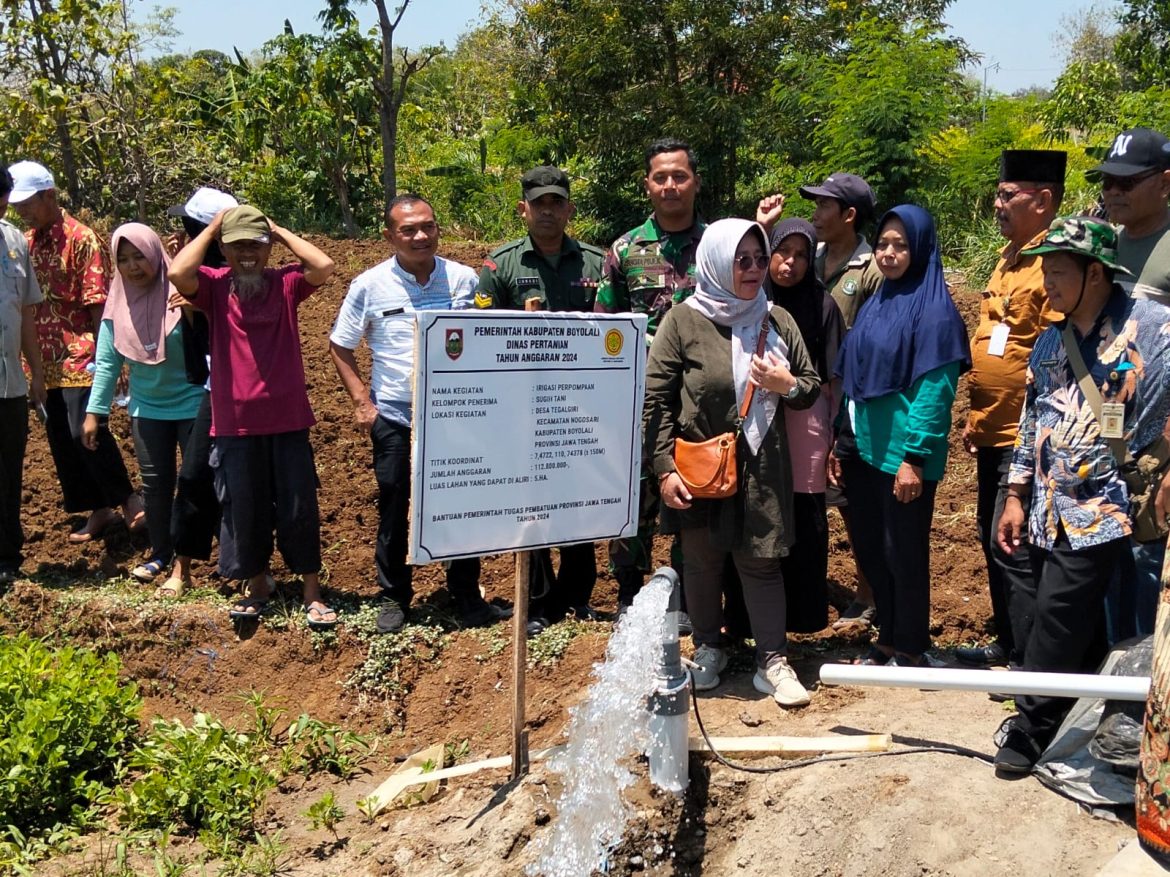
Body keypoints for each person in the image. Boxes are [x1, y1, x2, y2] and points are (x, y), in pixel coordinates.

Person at [994, 216, 1170, 774]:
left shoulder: (1154, 329)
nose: (1047, 281)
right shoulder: (1050, 339)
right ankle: (1081, 713)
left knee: (1062, 614)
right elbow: (1033, 421)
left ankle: (1030, 726)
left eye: (1059, 270)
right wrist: (1016, 493)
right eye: (1045, 268)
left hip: (1116, 506)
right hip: (1051, 507)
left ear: (1096, 274)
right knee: (1084, 625)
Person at [644, 217, 821, 706]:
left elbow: (808, 386)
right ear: (717, 261)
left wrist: (785, 385)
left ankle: (773, 661)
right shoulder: (682, 320)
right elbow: (656, 401)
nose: (753, 270)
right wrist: (663, 469)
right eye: (741, 260)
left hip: (762, 465)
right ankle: (708, 650)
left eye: (759, 260)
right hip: (699, 464)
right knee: (701, 562)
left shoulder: (776, 319)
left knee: (761, 563)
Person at [330, 193, 510, 634]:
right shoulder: (369, 286)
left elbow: (491, 337)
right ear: (389, 235)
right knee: (395, 503)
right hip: (394, 416)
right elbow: (340, 345)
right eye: (408, 229)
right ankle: (393, 597)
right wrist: (362, 405)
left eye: (427, 226)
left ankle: (466, 594)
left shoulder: (466, 280)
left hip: (460, 418)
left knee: (463, 504)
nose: (420, 236)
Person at [169, 205, 338, 629]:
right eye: (237, 244)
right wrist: (211, 230)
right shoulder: (213, 286)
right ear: (223, 249)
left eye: (255, 245)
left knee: (299, 506)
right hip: (234, 424)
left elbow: (323, 265)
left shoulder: (285, 284)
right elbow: (176, 274)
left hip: (288, 418)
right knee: (243, 507)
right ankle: (256, 584)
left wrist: (276, 230)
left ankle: (311, 592)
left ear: (267, 249)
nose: (247, 253)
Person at [830, 205, 971, 668]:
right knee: (872, 549)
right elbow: (854, 374)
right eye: (884, 244)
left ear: (922, 248)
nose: (889, 254)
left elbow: (936, 392)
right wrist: (841, 438)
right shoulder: (879, 302)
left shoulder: (935, 312)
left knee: (903, 553)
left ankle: (910, 646)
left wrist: (914, 456)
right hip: (865, 448)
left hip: (904, 456)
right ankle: (887, 638)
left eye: (901, 245)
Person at [474, 167, 606, 633]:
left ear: (569, 210)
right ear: (523, 210)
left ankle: (577, 596)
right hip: (520, 412)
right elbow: (480, 335)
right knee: (529, 506)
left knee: (579, 500)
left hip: (581, 407)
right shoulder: (500, 267)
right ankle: (536, 601)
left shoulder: (596, 264)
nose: (548, 211)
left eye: (556, 203)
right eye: (539, 203)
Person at [957, 150, 1064, 668]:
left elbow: (1050, 353)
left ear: (1042, 200)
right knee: (989, 533)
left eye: (1007, 195)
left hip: (1029, 436)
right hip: (992, 430)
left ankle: (1029, 662)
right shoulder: (1007, 257)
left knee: (1015, 544)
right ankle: (1007, 640)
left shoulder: (1055, 265)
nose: (997, 204)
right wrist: (976, 419)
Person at [765, 174, 884, 630]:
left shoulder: (868, 269)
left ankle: (867, 593)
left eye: (824, 205)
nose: (815, 212)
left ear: (848, 215)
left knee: (839, 503)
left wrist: (840, 427)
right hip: (783, 407)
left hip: (836, 401)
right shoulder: (808, 256)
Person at [595, 138, 706, 614]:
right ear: (647, 185)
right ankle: (628, 590)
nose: (670, 185)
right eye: (660, 177)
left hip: (700, 394)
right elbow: (606, 326)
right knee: (634, 490)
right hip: (639, 397)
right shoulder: (625, 249)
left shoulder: (718, 247)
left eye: (679, 176)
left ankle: (686, 591)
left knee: (693, 490)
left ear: (695, 182)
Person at [6, 160, 143, 543]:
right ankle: (98, 508)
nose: (22, 212)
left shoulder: (82, 240)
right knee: (61, 441)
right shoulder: (27, 243)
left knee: (85, 429)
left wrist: (108, 360)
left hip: (81, 353)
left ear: (49, 195)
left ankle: (129, 499)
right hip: (41, 360)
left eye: (29, 203)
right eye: (18, 206)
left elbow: (99, 304)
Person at [81, 224, 205, 593]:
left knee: (196, 481)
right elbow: (106, 362)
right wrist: (94, 413)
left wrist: (198, 309)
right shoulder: (117, 302)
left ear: (154, 254)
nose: (134, 267)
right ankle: (161, 553)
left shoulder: (182, 291)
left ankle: (195, 556)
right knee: (154, 485)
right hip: (147, 407)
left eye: (140, 256)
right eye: (124, 260)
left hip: (194, 400)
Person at [1093, 128, 1170, 641]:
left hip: (1157, 442)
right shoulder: (1103, 246)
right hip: (1103, 433)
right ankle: (1106, 700)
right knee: (1104, 568)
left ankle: (1142, 706)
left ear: (1165, 183)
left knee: (1147, 571)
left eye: (1127, 182)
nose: (1113, 192)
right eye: (1107, 181)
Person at [765, 218, 844, 634]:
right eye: (783, 252)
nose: (790, 263)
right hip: (762, 416)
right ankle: (761, 615)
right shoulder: (755, 297)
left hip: (807, 420)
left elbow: (833, 376)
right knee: (766, 510)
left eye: (801, 254)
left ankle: (806, 616)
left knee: (806, 516)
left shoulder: (823, 304)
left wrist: (834, 435)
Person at [160, 186, 240, 597]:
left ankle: (250, 569)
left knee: (245, 481)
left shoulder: (239, 274)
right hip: (211, 386)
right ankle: (182, 566)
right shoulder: (192, 272)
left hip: (238, 388)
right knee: (194, 476)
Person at [0, 166, 45, 582]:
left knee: (9, 471)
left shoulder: (13, 241)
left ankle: (7, 558)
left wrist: (36, 372)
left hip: (9, 381)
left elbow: (26, 312)